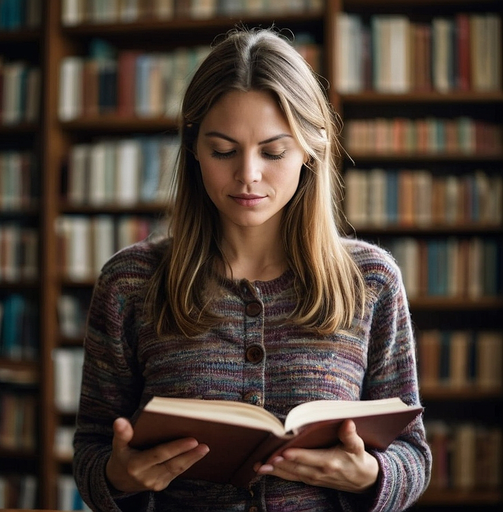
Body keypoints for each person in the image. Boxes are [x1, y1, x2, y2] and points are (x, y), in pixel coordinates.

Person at [73, 27, 432, 511]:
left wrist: (371, 475)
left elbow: (414, 456)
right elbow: (92, 452)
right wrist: (118, 474)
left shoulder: (371, 280)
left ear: (310, 150)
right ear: (194, 148)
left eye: (273, 151)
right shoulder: (131, 281)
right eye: (223, 150)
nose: (248, 174)